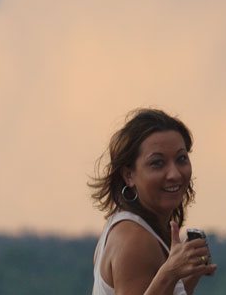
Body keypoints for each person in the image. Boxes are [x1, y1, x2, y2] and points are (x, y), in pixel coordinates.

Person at [90, 108, 218, 295]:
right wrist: (170, 273)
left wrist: (187, 277)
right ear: (129, 175)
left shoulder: (133, 228)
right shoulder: (135, 240)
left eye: (181, 159)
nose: (174, 174)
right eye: (157, 163)